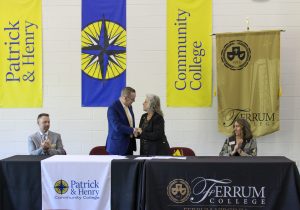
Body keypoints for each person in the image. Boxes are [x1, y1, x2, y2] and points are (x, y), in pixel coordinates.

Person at [105, 87, 139, 155]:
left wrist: (135, 132)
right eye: (132, 99)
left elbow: (130, 123)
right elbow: (117, 126)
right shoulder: (113, 108)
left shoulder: (129, 106)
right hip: (117, 147)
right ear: (125, 98)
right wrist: (133, 130)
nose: (134, 101)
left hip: (129, 145)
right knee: (117, 166)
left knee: (129, 166)